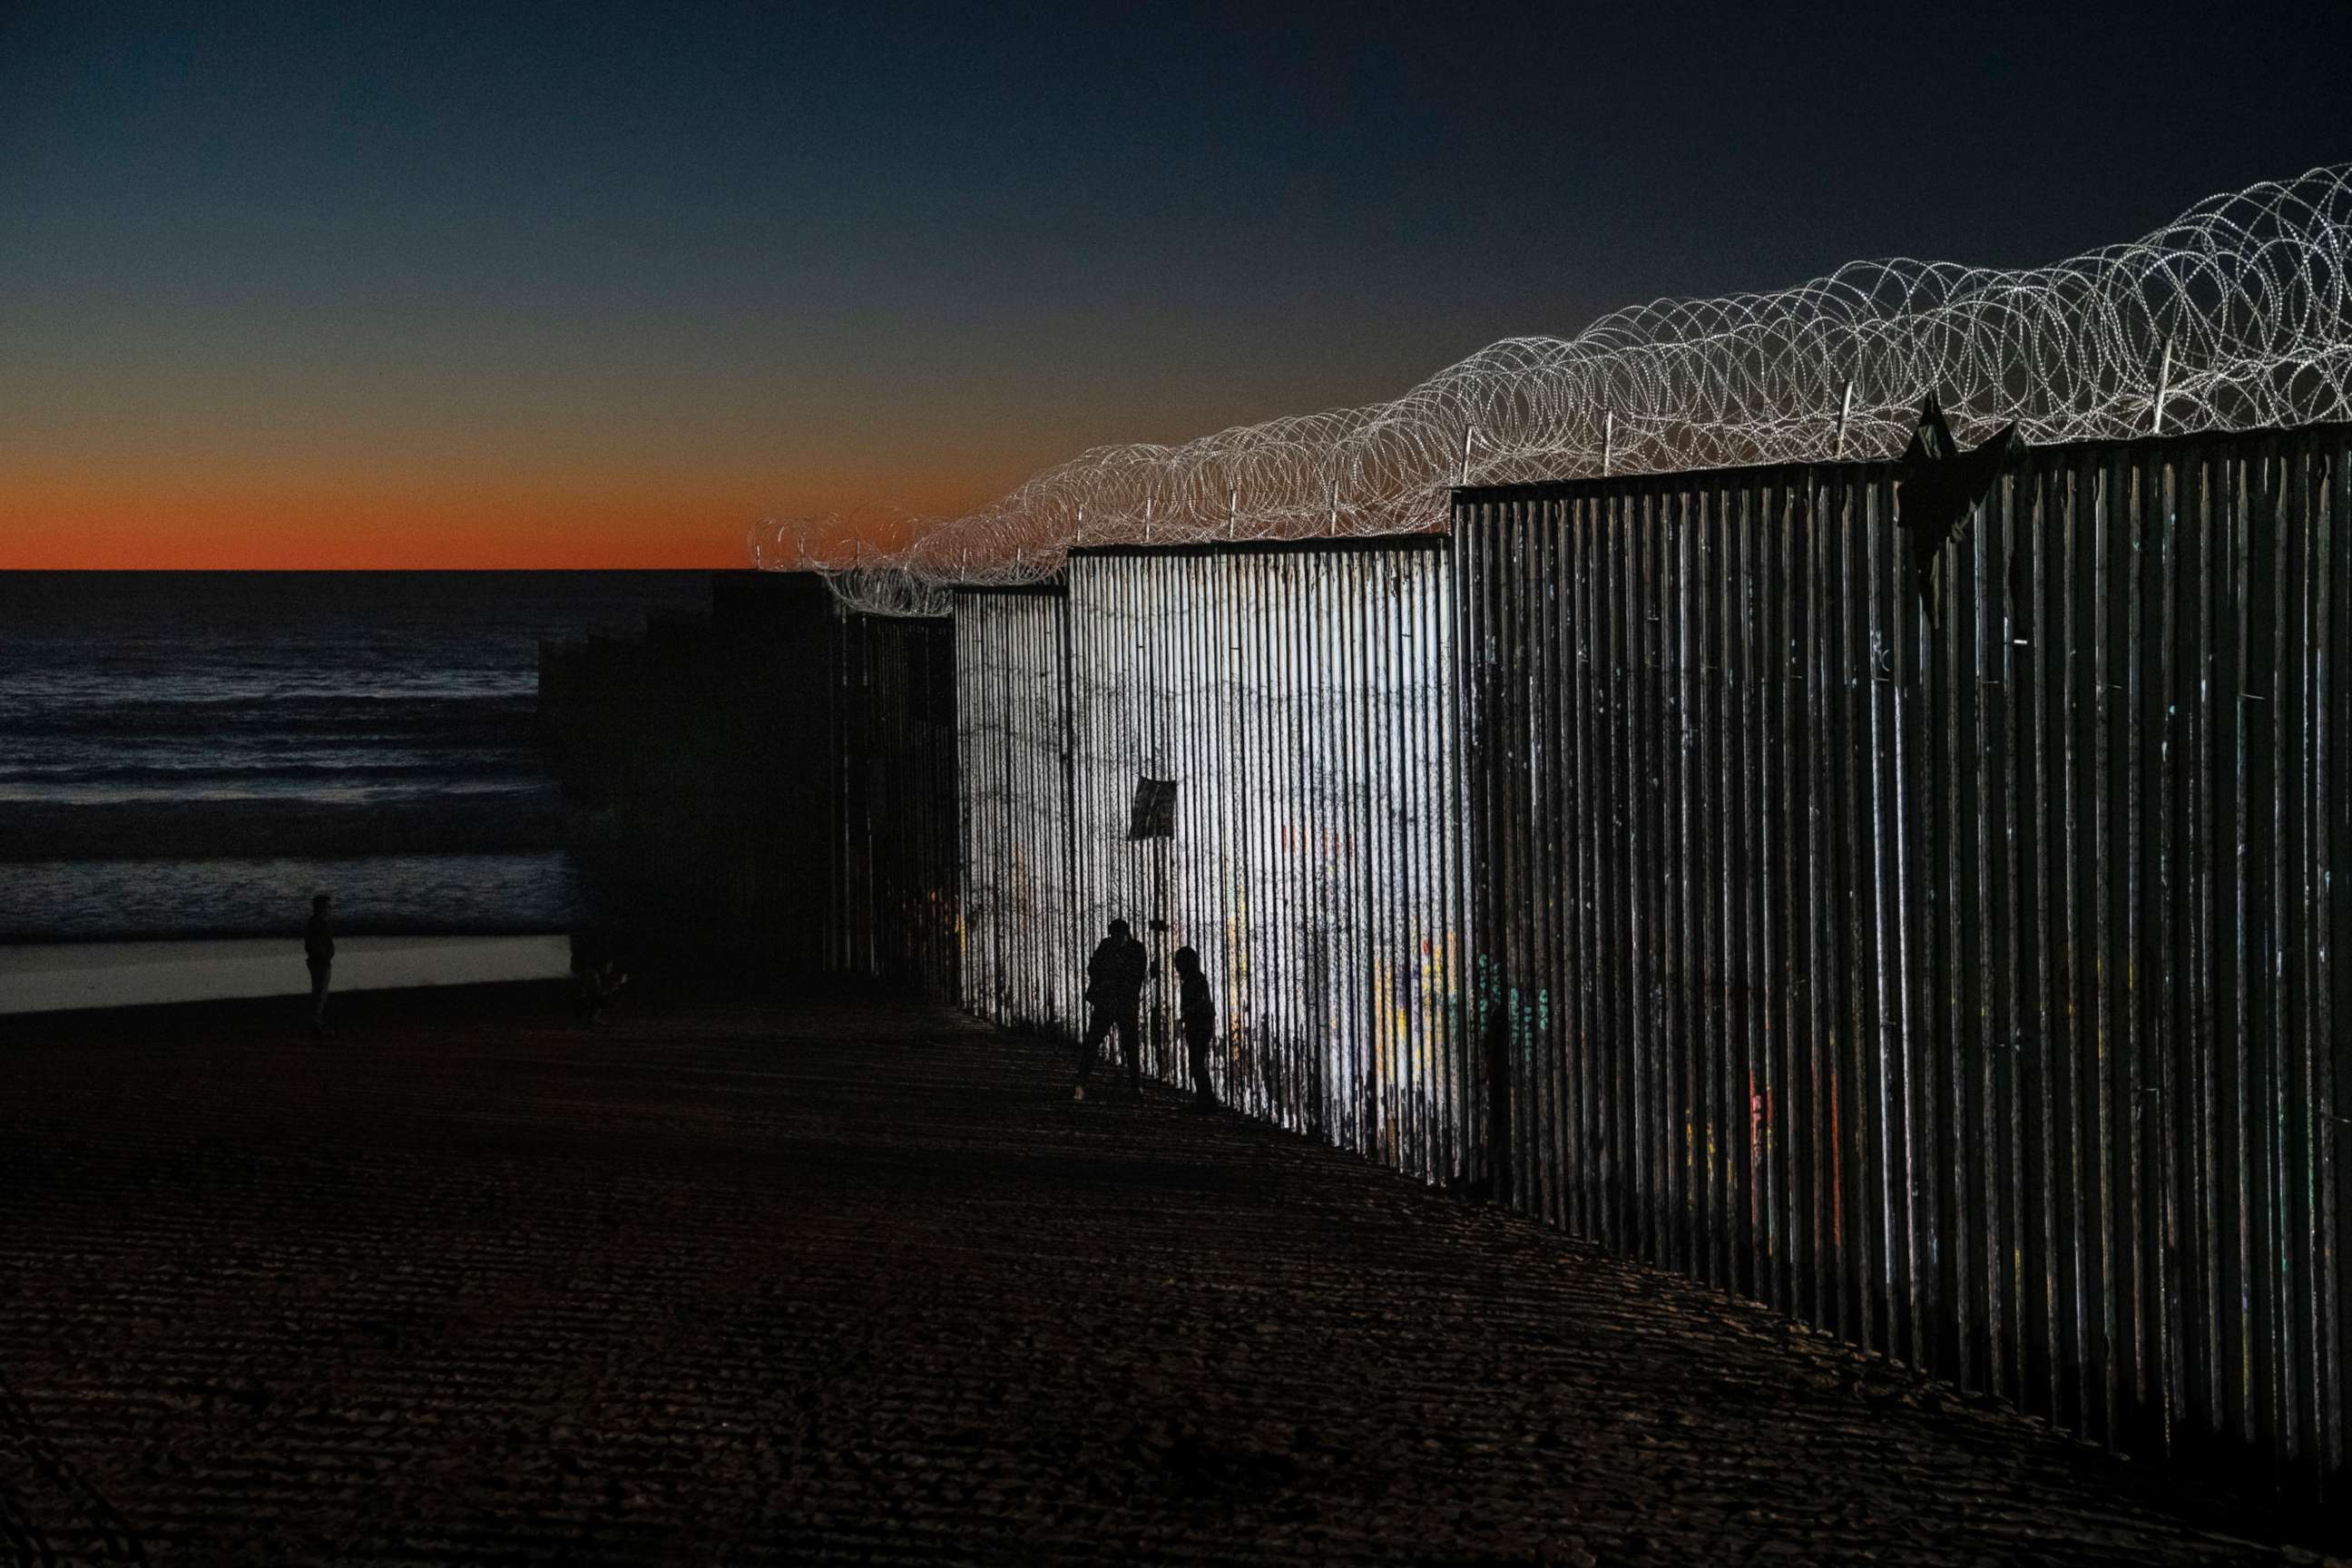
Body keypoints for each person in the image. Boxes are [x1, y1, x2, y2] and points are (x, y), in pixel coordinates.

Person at [1075, 917, 1150, 1101]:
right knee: (1093, 1043)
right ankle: (1081, 1083)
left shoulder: (1134, 950)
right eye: (1113, 935)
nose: (1115, 939)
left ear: (1126, 935)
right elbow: (1092, 967)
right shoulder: (1111, 946)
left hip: (1122, 1003)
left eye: (1118, 936)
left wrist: (1110, 975)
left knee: (1130, 1045)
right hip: (1110, 1002)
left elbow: (1137, 975)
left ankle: (1135, 1086)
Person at [1172, 945, 1217, 1109]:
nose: (1176, 966)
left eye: (1179, 962)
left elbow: (1199, 1003)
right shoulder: (1196, 978)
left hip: (1199, 1025)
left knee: (1197, 1063)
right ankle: (1205, 1099)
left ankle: (1207, 1100)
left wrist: (1189, 1012)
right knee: (1197, 1063)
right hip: (1200, 1024)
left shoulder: (1194, 979)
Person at [304, 893, 335, 1034]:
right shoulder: (318, 923)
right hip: (320, 962)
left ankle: (315, 1021)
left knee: (320, 993)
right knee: (320, 994)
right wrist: (324, 956)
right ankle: (315, 1023)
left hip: (319, 961)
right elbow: (315, 944)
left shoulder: (316, 922)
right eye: (328, 906)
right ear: (321, 907)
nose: (330, 909)